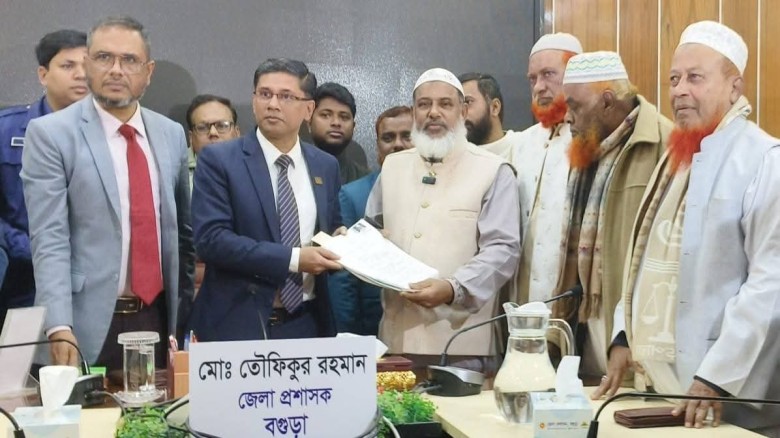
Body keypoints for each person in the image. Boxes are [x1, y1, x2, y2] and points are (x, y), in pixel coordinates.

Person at [599, 21, 780, 435]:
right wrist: (624, 336)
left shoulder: (764, 160)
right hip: (662, 391)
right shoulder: (676, 158)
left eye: (695, 78)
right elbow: (642, 257)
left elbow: (771, 283)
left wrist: (716, 377)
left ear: (734, 88)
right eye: (674, 79)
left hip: (727, 395)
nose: (679, 90)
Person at [21, 16, 194, 371]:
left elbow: (183, 237)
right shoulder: (50, 134)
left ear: (148, 72)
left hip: (158, 319)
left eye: (129, 60)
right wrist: (58, 325)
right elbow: (49, 239)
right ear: (87, 64)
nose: (116, 70)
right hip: (84, 325)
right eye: (104, 58)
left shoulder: (171, 134)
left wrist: (183, 317)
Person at [373, 68, 520, 375]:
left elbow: (503, 250)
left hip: (462, 344)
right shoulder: (392, 167)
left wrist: (454, 288)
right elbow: (373, 232)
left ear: (463, 111)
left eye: (445, 104)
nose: (433, 112)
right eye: (424, 104)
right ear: (414, 111)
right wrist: (354, 243)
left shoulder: (494, 170)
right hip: (396, 344)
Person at [189, 58, 344, 341]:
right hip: (237, 324)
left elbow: (329, 230)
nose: (273, 104)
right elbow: (211, 240)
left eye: (286, 96)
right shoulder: (220, 160)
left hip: (307, 324)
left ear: (308, 109)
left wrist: (343, 242)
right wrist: (294, 259)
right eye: (265, 94)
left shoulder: (325, 165)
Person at [556, 51, 669, 375]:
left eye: (575, 106)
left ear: (607, 102)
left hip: (633, 334)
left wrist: (626, 334)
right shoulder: (586, 151)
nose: (567, 117)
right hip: (583, 327)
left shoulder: (664, 144)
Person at [0, 29, 87, 329]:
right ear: (43, 74)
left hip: (92, 288)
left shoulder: (110, 134)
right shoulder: (6, 131)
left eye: (87, 65)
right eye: (68, 65)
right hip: (23, 284)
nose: (81, 74)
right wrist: (32, 249)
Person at [329, 105, 413, 335]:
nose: (397, 144)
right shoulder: (352, 195)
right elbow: (344, 276)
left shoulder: (439, 191)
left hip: (426, 319)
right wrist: (349, 336)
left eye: (407, 136)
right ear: (378, 147)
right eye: (388, 138)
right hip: (371, 324)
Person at [511, 33, 581, 306]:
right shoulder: (521, 143)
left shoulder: (593, 141)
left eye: (548, 75)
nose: (539, 87)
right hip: (520, 299)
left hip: (569, 299)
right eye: (533, 79)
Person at [310, 82, 370, 184]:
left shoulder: (365, 181)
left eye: (344, 117)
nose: (336, 123)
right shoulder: (292, 172)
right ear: (309, 122)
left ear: (353, 126)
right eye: (326, 115)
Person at [457, 72, 520, 161]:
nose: (461, 114)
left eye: (468, 102)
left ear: (495, 107)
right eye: (457, 106)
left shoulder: (525, 147)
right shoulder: (450, 159)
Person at [185, 94, 240, 188]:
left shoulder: (254, 168)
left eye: (222, 126)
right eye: (202, 128)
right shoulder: (176, 171)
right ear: (191, 137)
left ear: (237, 133)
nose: (213, 133)